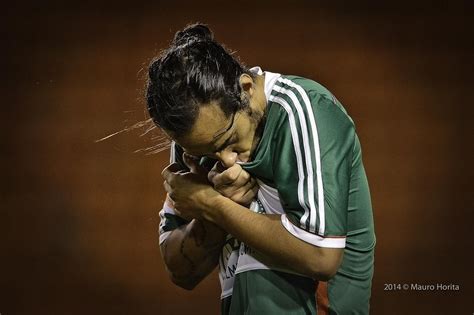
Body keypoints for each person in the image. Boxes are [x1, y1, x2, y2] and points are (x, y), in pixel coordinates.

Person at [146, 23, 376, 315]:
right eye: (206, 153)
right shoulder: (196, 139)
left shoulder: (302, 109)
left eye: (228, 141)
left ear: (245, 88)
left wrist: (213, 205)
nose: (226, 161)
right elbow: (180, 272)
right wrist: (217, 213)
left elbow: (322, 255)